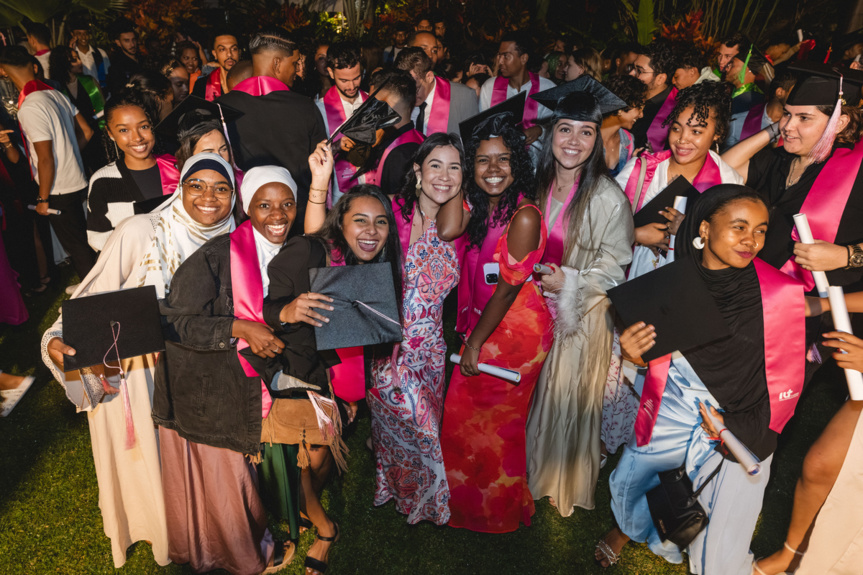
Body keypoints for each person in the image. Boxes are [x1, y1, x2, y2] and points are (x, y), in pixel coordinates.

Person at [596, 184, 807, 573]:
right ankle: (628, 528)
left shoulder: (776, 293)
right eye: (739, 227)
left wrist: (736, 422)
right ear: (705, 229)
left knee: (706, 502)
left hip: (732, 413)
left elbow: (784, 372)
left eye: (760, 230)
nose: (751, 241)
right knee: (638, 477)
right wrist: (631, 354)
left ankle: (684, 539)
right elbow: (646, 358)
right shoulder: (672, 282)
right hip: (673, 398)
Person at [40, 152, 237, 568]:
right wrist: (57, 338)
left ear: (234, 196)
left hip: (199, 374)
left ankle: (201, 532)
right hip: (137, 372)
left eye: (221, 188)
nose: (208, 197)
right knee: (146, 463)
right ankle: (158, 532)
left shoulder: (235, 239)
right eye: (196, 185)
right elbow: (94, 290)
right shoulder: (141, 230)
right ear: (180, 188)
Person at [154, 164, 297, 575]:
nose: (277, 215)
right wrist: (238, 327)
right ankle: (240, 556)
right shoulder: (215, 258)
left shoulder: (297, 251)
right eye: (264, 205)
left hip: (249, 380)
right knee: (228, 482)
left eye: (287, 204)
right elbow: (172, 323)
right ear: (247, 207)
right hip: (207, 388)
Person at [266, 178, 403, 574]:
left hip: (337, 378)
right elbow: (267, 306)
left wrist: (352, 394)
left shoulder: (372, 270)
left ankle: (309, 506)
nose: (371, 231)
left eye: (380, 222)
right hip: (296, 371)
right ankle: (326, 529)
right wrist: (288, 311)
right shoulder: (308, 250)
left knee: (321, 455)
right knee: (304, 460)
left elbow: (364, 340)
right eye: (360, 220)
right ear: (340, 221)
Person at [436, 104, 551, 532]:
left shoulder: (523, 215)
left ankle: (496, 511)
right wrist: (462, 180)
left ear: (517, 163)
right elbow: (447, 229)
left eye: (503, 159)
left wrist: (474, 343)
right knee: (466, 421)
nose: (494, 169)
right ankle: (468, 506)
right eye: (482, 160)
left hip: (514, 333)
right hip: (487, 325)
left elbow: (506, 288)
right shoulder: (486, 207)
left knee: (496, 425)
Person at [522, 81, 634, 514]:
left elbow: (615, 265)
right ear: (551, 133)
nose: (574, 141)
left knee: (564, 396)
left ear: (596, 140)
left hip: (580, 314)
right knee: (532, 390)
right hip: (531, 305)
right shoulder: (537, 183)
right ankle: (523, 465)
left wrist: (569, 282)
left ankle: (556, 478)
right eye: (565, 129)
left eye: (586, 132)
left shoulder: (608, 198)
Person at [367, 132, 465, 525]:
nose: (444, 175)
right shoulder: (391, 214)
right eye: (435, 165)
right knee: (418, 426)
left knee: (412, 432)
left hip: (433, 350)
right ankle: (429, 503)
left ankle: (398, 489)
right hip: (391, 348)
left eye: (454, 167)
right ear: (418, 171)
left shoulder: (458, 222)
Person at [617, 81, 742, 279]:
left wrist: (687, 232)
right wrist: (635, 234)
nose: (682, 139)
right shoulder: (641, 170)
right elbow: (598, 224)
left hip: (688, 283)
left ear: (717, 133)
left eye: (696, 132)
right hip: (633, 277)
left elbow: (732, 249)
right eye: (676, 129)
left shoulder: (727, 184)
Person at [0, 46, 96, 281]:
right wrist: (69, 154)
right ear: (33, 66)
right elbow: (87, 131)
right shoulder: (55, 94)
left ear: (3, 71)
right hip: (76, 178)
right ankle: (96, 287)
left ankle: (98, 292)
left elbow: (45, 158)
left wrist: (42, 199)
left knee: (77, 247)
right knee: (82, 241)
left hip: (57, 187)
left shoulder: (30, 106)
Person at [218, 28, 326, 228]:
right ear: (277, 63)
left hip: (246, 222)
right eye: (294, 63)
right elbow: (320, 169)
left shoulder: (220, 108)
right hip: (299, 220)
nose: (297, 71)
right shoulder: (305, 107)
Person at [86, 94, 180, 251]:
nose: (137, 138)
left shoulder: (177, 167)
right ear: (110, 133)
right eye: (124, 130)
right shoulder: (103, 181)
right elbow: (99, 239)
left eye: (144, 127)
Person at [479, 31, 557, 148]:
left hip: (534, 157)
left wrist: (540, 130)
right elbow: (481, 128)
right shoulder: (489, 87)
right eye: (499, 55)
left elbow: (557, 125)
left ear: (523, 58)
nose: (500, 61)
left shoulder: (547, 89)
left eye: (506, 56)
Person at [356, 69, 424, 196]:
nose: (370, 108)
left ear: (388, 104)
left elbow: (395, 206)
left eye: (373, 102)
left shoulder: (398, 155)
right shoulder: (420, 138)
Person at [316, 42, 367, 203]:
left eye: (357, 78)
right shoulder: (319, 109)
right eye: (344, 80)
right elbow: (314, 155)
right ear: (331, 72)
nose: (352, 86)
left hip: (372, 187)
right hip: (340, 195)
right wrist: (336, 146)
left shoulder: (372, 102)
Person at [395, 47, 479, 138]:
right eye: (405, 90)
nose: (409, 95)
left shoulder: (463, 96)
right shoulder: (396, 99)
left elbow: (472, 141)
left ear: (429, 77)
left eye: (415, 89)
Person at [48, 46, 107, 173]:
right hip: (75, 139)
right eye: (74, 60)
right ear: (63, 63)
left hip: (98, 136)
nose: (80, 62)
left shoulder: (89, 81)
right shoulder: (56, 89)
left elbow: (103, 108)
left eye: (78, 58)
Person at [723, 44, 775, 149]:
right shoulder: (730, 93)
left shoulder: (754, 102)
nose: (727, 68)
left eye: (733, 65)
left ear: (748, 69)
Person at [629, 41, 678, 152]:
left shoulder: (677, 110)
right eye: (633, 68)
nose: (631, 73)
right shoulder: (630, 92)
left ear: (660, 79)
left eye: (639, 71)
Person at [600, 74, 647, 176]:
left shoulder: (628, 140)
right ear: (620, 108)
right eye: (639, 108)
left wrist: (633, 165)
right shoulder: (586, 137)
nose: (641, 115)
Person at [191, 31, 239, 101]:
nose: (229, 54)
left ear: (239, 52)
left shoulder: (249, 82)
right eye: (222, 49)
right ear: (215, 54)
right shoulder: (202, 85)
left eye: (234, 49)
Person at [69, 14, 111, 89]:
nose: (83, 37)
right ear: (72, 34)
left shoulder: (100, 53)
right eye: (79, 34)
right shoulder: (72, 55)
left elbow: (108, 75)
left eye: (86, 33)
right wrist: (70, 50)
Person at [105, 18, 141, 98]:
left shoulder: (143, 59)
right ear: (118, 43)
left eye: (133, 40)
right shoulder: (116, 68)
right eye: (127, 41)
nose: (132, 44)